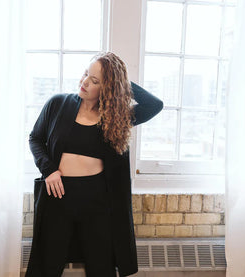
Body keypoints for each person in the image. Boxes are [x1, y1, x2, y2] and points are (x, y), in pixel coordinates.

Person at [26, 51, 163, 277]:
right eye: (85, 74)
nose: (85, 82)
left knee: (101, 268)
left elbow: (154, 105)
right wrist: (48, 170)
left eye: (95, 80)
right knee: (47, 267)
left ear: (108, 88)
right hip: (58, 196)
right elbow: (35, 138)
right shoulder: (58, 104)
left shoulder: (116, 116)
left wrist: (119, 81)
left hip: (97, 200)